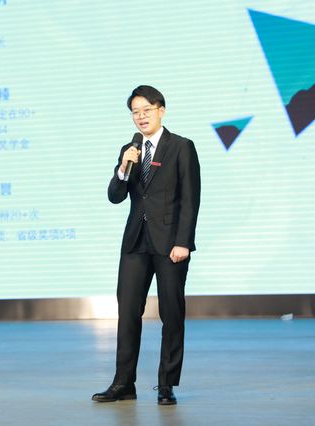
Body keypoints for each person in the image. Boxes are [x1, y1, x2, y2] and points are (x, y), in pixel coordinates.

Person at [92, 85, 201, 405]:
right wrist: (123, 168)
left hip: (170, 245)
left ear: (161, 110)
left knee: (171, 313)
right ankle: (123, 383)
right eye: (135, 112)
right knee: (127, 313)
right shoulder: (130, 149)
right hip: (135, 242)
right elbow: (115, 196)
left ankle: (166, 384)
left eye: (146, 110)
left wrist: (184, 242)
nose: (141, 117)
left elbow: (190, 199)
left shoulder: (181, 146)